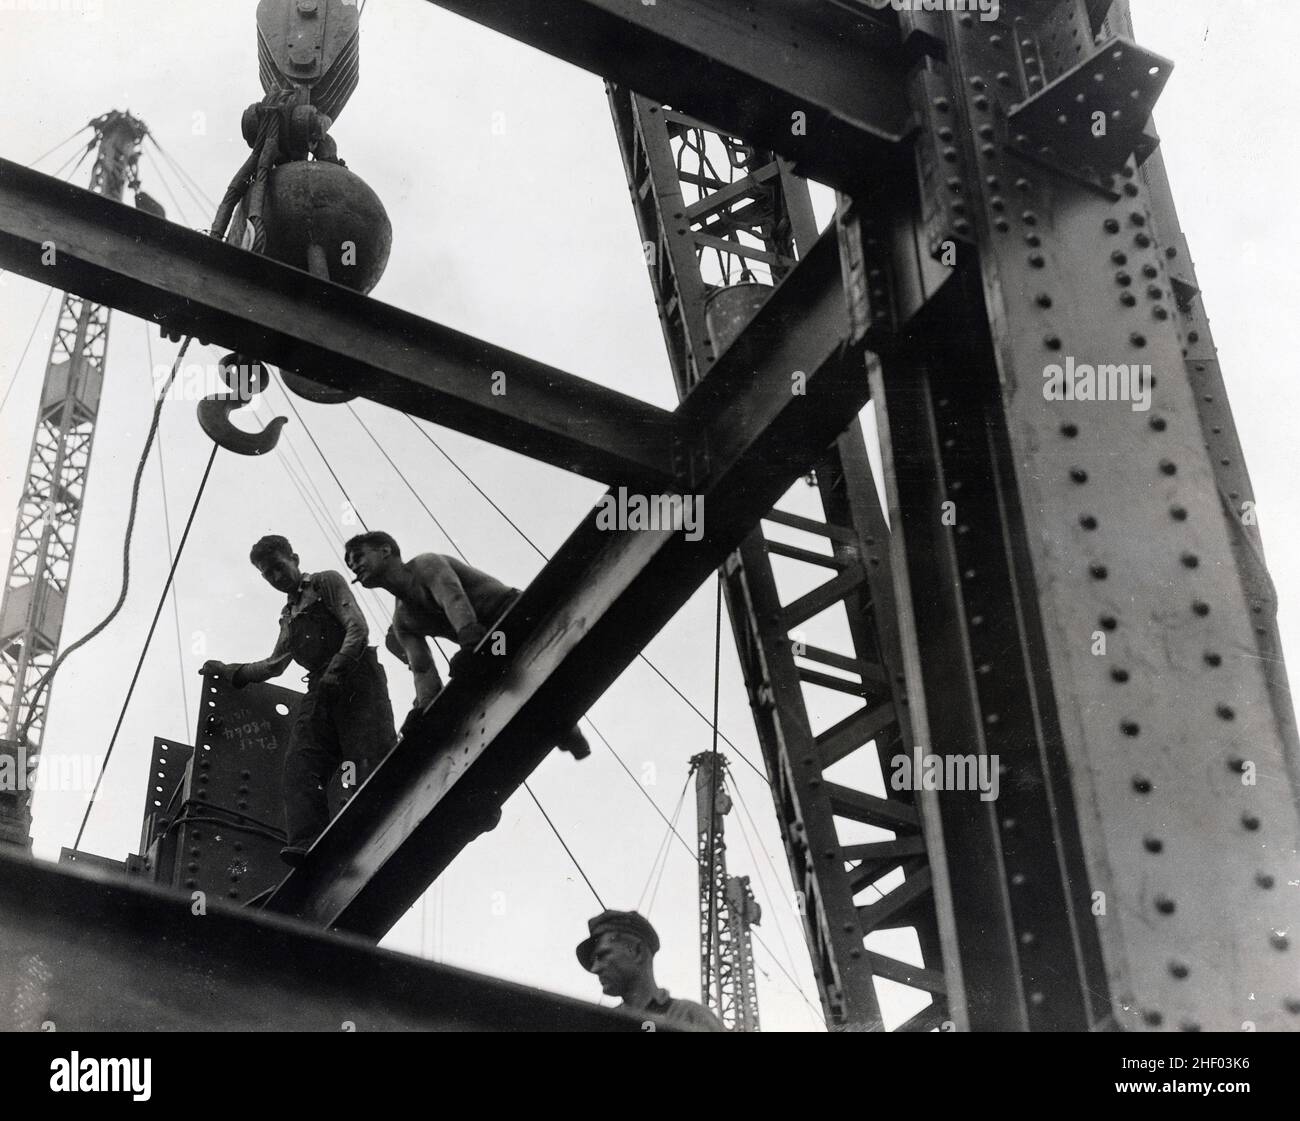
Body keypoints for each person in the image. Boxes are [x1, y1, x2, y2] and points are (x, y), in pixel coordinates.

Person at [200, 534, 397, 866]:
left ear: (294, 557)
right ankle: (309, 843)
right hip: (321, 687)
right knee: (300, 766)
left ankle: (381, 828)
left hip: (356, 677)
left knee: (367, 758)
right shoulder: (289, 615)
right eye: (268, 575)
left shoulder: (325, 584)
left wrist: (338, 667)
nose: (277, 578)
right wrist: (230, 671)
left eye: (279, 567)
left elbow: (357, 629)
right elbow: (275, 664)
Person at [343, 531, 589, 758]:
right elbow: (423, 669)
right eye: (350, 564)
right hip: (489, 646)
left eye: (358, 556)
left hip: (514, 614)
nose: (354, 565)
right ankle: (565, 729)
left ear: (385, 550)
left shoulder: (426, 565)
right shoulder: (403, 620)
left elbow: (453, 597)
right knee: (509, 686)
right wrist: (425, 709)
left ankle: (566, 727)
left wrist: (470, 642)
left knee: (512, 672)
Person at [576, 910, 726, 1031]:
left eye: (602, 955)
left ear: (637, 951)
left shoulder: (690, 1016)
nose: (595, 969)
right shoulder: (604, 1026)